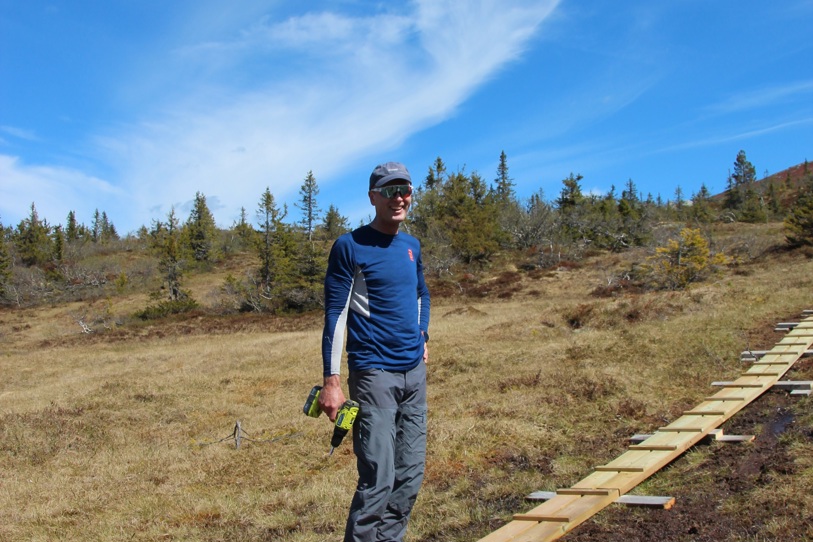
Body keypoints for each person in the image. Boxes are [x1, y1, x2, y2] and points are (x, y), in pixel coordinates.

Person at [319, 161, 430, 542]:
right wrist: (331, 382)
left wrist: (423, 336)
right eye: (388, 190)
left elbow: (420, 294)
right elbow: (335, 316)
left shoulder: (412, 246)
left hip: (413, 373)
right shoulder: (350, 246)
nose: (398, 197)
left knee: (410, 476)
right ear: (372, 197)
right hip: (373, 375)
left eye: (404, 190)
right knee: (379, 479)